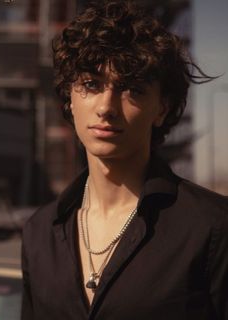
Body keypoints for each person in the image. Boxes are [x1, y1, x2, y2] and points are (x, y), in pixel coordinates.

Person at [21, 1, 228, 319]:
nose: (106, 107)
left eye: (130, 88)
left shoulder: (212, 227)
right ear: (70, 99)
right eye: (91, 84)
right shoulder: (39, 233)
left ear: (161, 108)